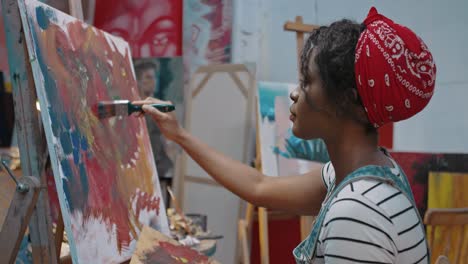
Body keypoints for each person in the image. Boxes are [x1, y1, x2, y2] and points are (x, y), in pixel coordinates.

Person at [135, 7, 435, 264]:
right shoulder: (368, 174)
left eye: (306, 82)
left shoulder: (357, 212)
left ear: (346, 100)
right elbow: (260, 186)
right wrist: (179, 135)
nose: (294, 93)